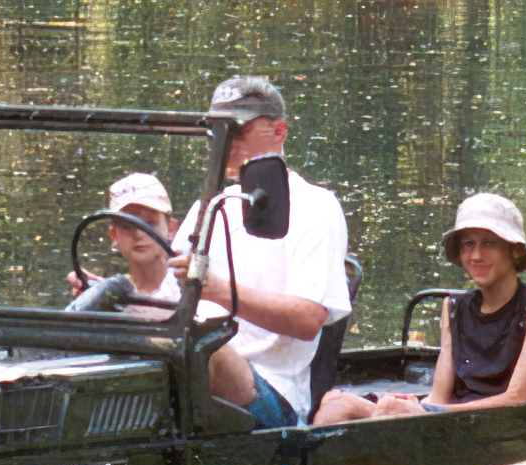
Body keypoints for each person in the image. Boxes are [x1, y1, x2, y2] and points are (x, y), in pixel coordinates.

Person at [167, 76, 352, 429]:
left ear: (279, 132)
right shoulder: (208, 207)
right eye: (216, 131)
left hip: (270, 391)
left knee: (201, 347)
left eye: (236, 131)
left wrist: (217, 289)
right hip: (192, 378)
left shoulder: (315, 206)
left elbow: (308, 319)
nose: (223, 143)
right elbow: (165, 298)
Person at [313, 193, 526, 426]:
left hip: (502, 430)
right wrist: (416, 407)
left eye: (489, 243)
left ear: (513, 250)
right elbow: (439, 397)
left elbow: (517, 400)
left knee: (361, 407)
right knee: (334, 402)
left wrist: (424, 413)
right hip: (454, 426)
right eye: (468, 244)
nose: (476, 255)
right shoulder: (454, 307)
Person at [68, 172, 181, 306]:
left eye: (150, 223)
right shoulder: (110, 295)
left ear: (171, 229)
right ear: (113, 234)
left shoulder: (194, 291)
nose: (139, 234)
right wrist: (96, 294)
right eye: (127, 226)